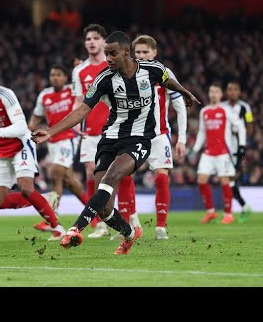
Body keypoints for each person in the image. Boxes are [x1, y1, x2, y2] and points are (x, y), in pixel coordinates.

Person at [32, 31, 199, 255]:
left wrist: (185, 92)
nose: (108, 58)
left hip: (139, 139)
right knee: (105, 208)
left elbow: (168, 80)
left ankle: (75, 228)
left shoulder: (152, 69)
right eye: (106, 54)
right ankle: (130, 234)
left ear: (126, 52)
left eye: (112, 54)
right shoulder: (104, 78)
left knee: (111, 177)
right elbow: (82, 110)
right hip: (109, 139)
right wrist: (50, 132)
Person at [0, 59, 65, 241]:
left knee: (26, 188)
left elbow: (21, 127)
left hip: (21, 145)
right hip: (1, 151)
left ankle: (57, 227)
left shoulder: (5, 95)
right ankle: (47, 198)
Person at [111, 34, 188, 241]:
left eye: (146, 52)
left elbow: (180, 105)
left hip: (158, 135)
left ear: (155, 53)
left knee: (161, 177)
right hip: (132, 135)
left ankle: (160, 227)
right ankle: (127, 224)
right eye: (139, 52)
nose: (142, 56)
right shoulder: (127, 71)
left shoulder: (164, 72)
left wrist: (181, 139)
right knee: (124, 176)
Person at [72, 24, 138, 239]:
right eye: (88, 38)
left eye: (95, 38)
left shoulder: (115, 65)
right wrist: (75, 122)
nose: (91, 42)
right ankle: (101, 223)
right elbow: (78, 99)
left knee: (121, 174)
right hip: (90, 131)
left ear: (103, 41)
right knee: (92, 174)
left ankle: (130, 216)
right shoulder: (79, 71)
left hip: (114, 128)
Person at [28, 64, 89, 232]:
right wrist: (28, 131)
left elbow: (85, 95)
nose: (55, 77)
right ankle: (96, 215)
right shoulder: (44, 95)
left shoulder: (72, 90)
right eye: (52, 75)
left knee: (55, 173)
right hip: (52, 143)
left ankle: (51, 220)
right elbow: (35, 119)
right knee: (70, 182)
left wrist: (78, 69)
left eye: (59, 75)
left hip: (69, 139)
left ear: (65, 77)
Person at [191, 82, 245, 224]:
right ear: (209, 94)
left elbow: (239, 125)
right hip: (208, 153)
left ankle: (228, 214)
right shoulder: (205, 111)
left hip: (223, 153)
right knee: (201, 179)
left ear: (221, 95)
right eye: (211, 91)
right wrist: (195, 150)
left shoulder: (226, 110)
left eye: (216, 91)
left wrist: (240, 144)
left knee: (225, 181)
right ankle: (211, 212)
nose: (213, 94)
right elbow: (202, 133)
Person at [222, 81, 253, 222]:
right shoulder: (221, 107)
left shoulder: (245, 108)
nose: (233, 92)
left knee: (229, 179)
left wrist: (242, 140)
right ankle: (241, 207)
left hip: (238, 149)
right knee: (229, 179)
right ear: (226, 92)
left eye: (235, 89)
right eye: (230, 89)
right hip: (224, 147)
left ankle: (235, 210)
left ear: (239, 92)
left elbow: (250, 126)